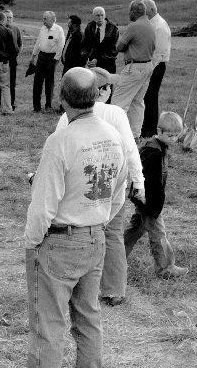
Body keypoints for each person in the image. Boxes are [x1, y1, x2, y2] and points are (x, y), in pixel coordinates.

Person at [17, 68, 127, 368]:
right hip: (95, 235)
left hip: (60, 240)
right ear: (97, 95)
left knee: (47, 324)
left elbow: (44, 201)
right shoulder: (113, 136)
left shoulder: (62, 140)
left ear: (62, 98)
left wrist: (32, 242)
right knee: (88, 318)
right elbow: (118, 191)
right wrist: (100, 219)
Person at [54, 67, 145, 307]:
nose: (111, 91)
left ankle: (75, 284)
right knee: (112, 234)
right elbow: (129, 149)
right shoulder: (115, 113)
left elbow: (56, 150)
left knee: (79, 232)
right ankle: (114, 290)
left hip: (79, 186)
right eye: (108, 87)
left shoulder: (67, 115)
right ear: (100, 91)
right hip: (110, 183)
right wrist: (138, 180)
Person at [124, 111, 189, 278]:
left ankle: (114, 256)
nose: (173, 139)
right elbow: (143, 177)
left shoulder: (160, 147)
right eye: (170, 135)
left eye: (176, 136)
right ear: (159, 131)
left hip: (150, 201)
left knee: (136, 229)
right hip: (149, 201)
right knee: (159, 234)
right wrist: (143, 197)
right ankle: (166, 268)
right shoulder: (152, 152)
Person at [114, 0, 156, 136]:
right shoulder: (150, 25)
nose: (128, 14)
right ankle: (135, 135)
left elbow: (119, 47)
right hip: (147, 66)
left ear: (133, 12)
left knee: (118, 104)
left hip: (134, 67)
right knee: (137, 102)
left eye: (129, 11)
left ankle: (116, 134)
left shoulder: (134, 26)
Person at [140, 0, 171, 141]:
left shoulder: (159, 26)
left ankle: (150, 129)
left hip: (156, 65)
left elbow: (159, 52)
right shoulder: (152, 23)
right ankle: (146, 127)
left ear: (151, 10)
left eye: (144, 10)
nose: (142, 13)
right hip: (151, 64)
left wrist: (149, 68)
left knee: (150, 96)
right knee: (146, 96)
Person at [30, 11, 65, 113]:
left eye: (45, 19)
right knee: (37, 82)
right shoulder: (43, 29)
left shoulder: (59, 30)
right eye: (43, 18)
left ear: (53, 20)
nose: (43, 21)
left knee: (49, 83)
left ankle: (48, 105)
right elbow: (38, 42)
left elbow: (60, 47)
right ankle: (36, 107)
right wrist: (33, 56)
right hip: (41, 57)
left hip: (51, 58)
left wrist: (55, 61)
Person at [0, 9, 21, 112]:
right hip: (0, 61)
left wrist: (15, 54)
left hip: (12, 61)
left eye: (10, 17)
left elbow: (20, 44)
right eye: (7, 17)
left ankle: (11, 104)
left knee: (11, 84)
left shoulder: (16, 29)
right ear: (3, 19)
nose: (9, 19)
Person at [82, 7, 119, 74]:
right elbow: (84, 45)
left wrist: (98, 60)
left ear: (105, 16)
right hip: (92, 66)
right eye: (97, 15)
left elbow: (112, 50)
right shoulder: (89, 27)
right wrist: (86, 59)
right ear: (93, 17)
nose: (100, 17)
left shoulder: (113, 29)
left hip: (108, 65)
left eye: (102, 15)